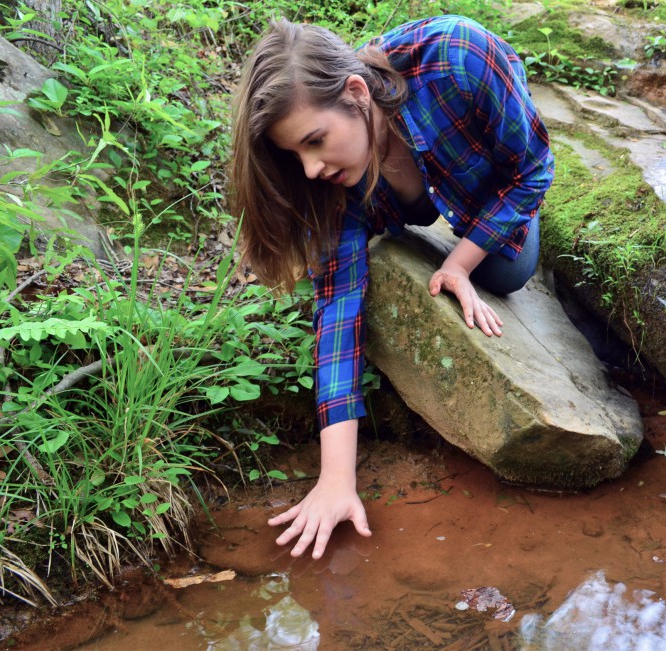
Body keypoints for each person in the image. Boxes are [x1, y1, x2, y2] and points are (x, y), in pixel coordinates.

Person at [229, 15, 554, 560]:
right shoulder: (326, 183)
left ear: (356, 93)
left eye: (315, 141)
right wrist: (336, 480)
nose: (309, 169)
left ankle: (489, 238)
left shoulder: (458, 57)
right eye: (294, 155)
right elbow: (338, 307)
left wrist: (460, 263)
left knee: (507, 272)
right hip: (403, 192)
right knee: (353, 253)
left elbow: (534, 166)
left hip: (489, 183)